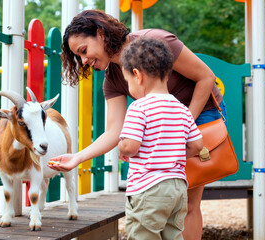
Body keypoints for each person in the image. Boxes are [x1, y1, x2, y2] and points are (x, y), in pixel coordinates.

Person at [47, 9, 227, 240]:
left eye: (83, 51)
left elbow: (206, 77)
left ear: (101, 34)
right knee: (174, 203)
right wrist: (77, 158)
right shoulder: (113, 78)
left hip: (197, 110)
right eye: (78, 57)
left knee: (190, 202)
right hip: (172, 122)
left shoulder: (156, 44)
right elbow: (114, 131)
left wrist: (180, 126)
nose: (83, 61)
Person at [118, 38, 203, 239]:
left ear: (137, 76)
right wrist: (173, 153)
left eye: (128, 81)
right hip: (177, 187)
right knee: (173, 234)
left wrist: (122, 148)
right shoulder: (182, 109)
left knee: (143, 234)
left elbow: (130, 145)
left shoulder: (139, 107)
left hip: (148, 187)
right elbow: (197, 145)